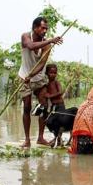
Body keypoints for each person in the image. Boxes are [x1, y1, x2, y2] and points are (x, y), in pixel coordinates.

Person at [19, 17, 63, 148]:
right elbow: (31, 46)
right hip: (23, 77)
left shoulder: (47, 45)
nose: (45, 31)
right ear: (35, 28)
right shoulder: (25, 36)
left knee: (43, 107)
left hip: (38, 78)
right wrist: (51, 39)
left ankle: (40, 138)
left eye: (46, 29)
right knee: (26, 107)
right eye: (42, 28)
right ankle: (27, 140)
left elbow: (42, 64)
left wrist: (31, 75)